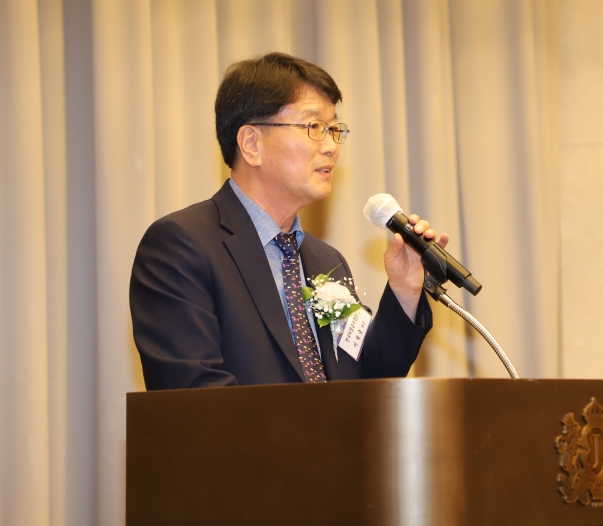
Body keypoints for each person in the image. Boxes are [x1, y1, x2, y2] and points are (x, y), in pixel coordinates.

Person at [130, 52, 445, 389]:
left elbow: (368, 381)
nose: (331, 147)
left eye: (333, 129)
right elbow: (193, 395)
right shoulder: (181, 246)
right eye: (314, 127)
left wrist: (404, 290)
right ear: (252, 143)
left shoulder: (326, 260)